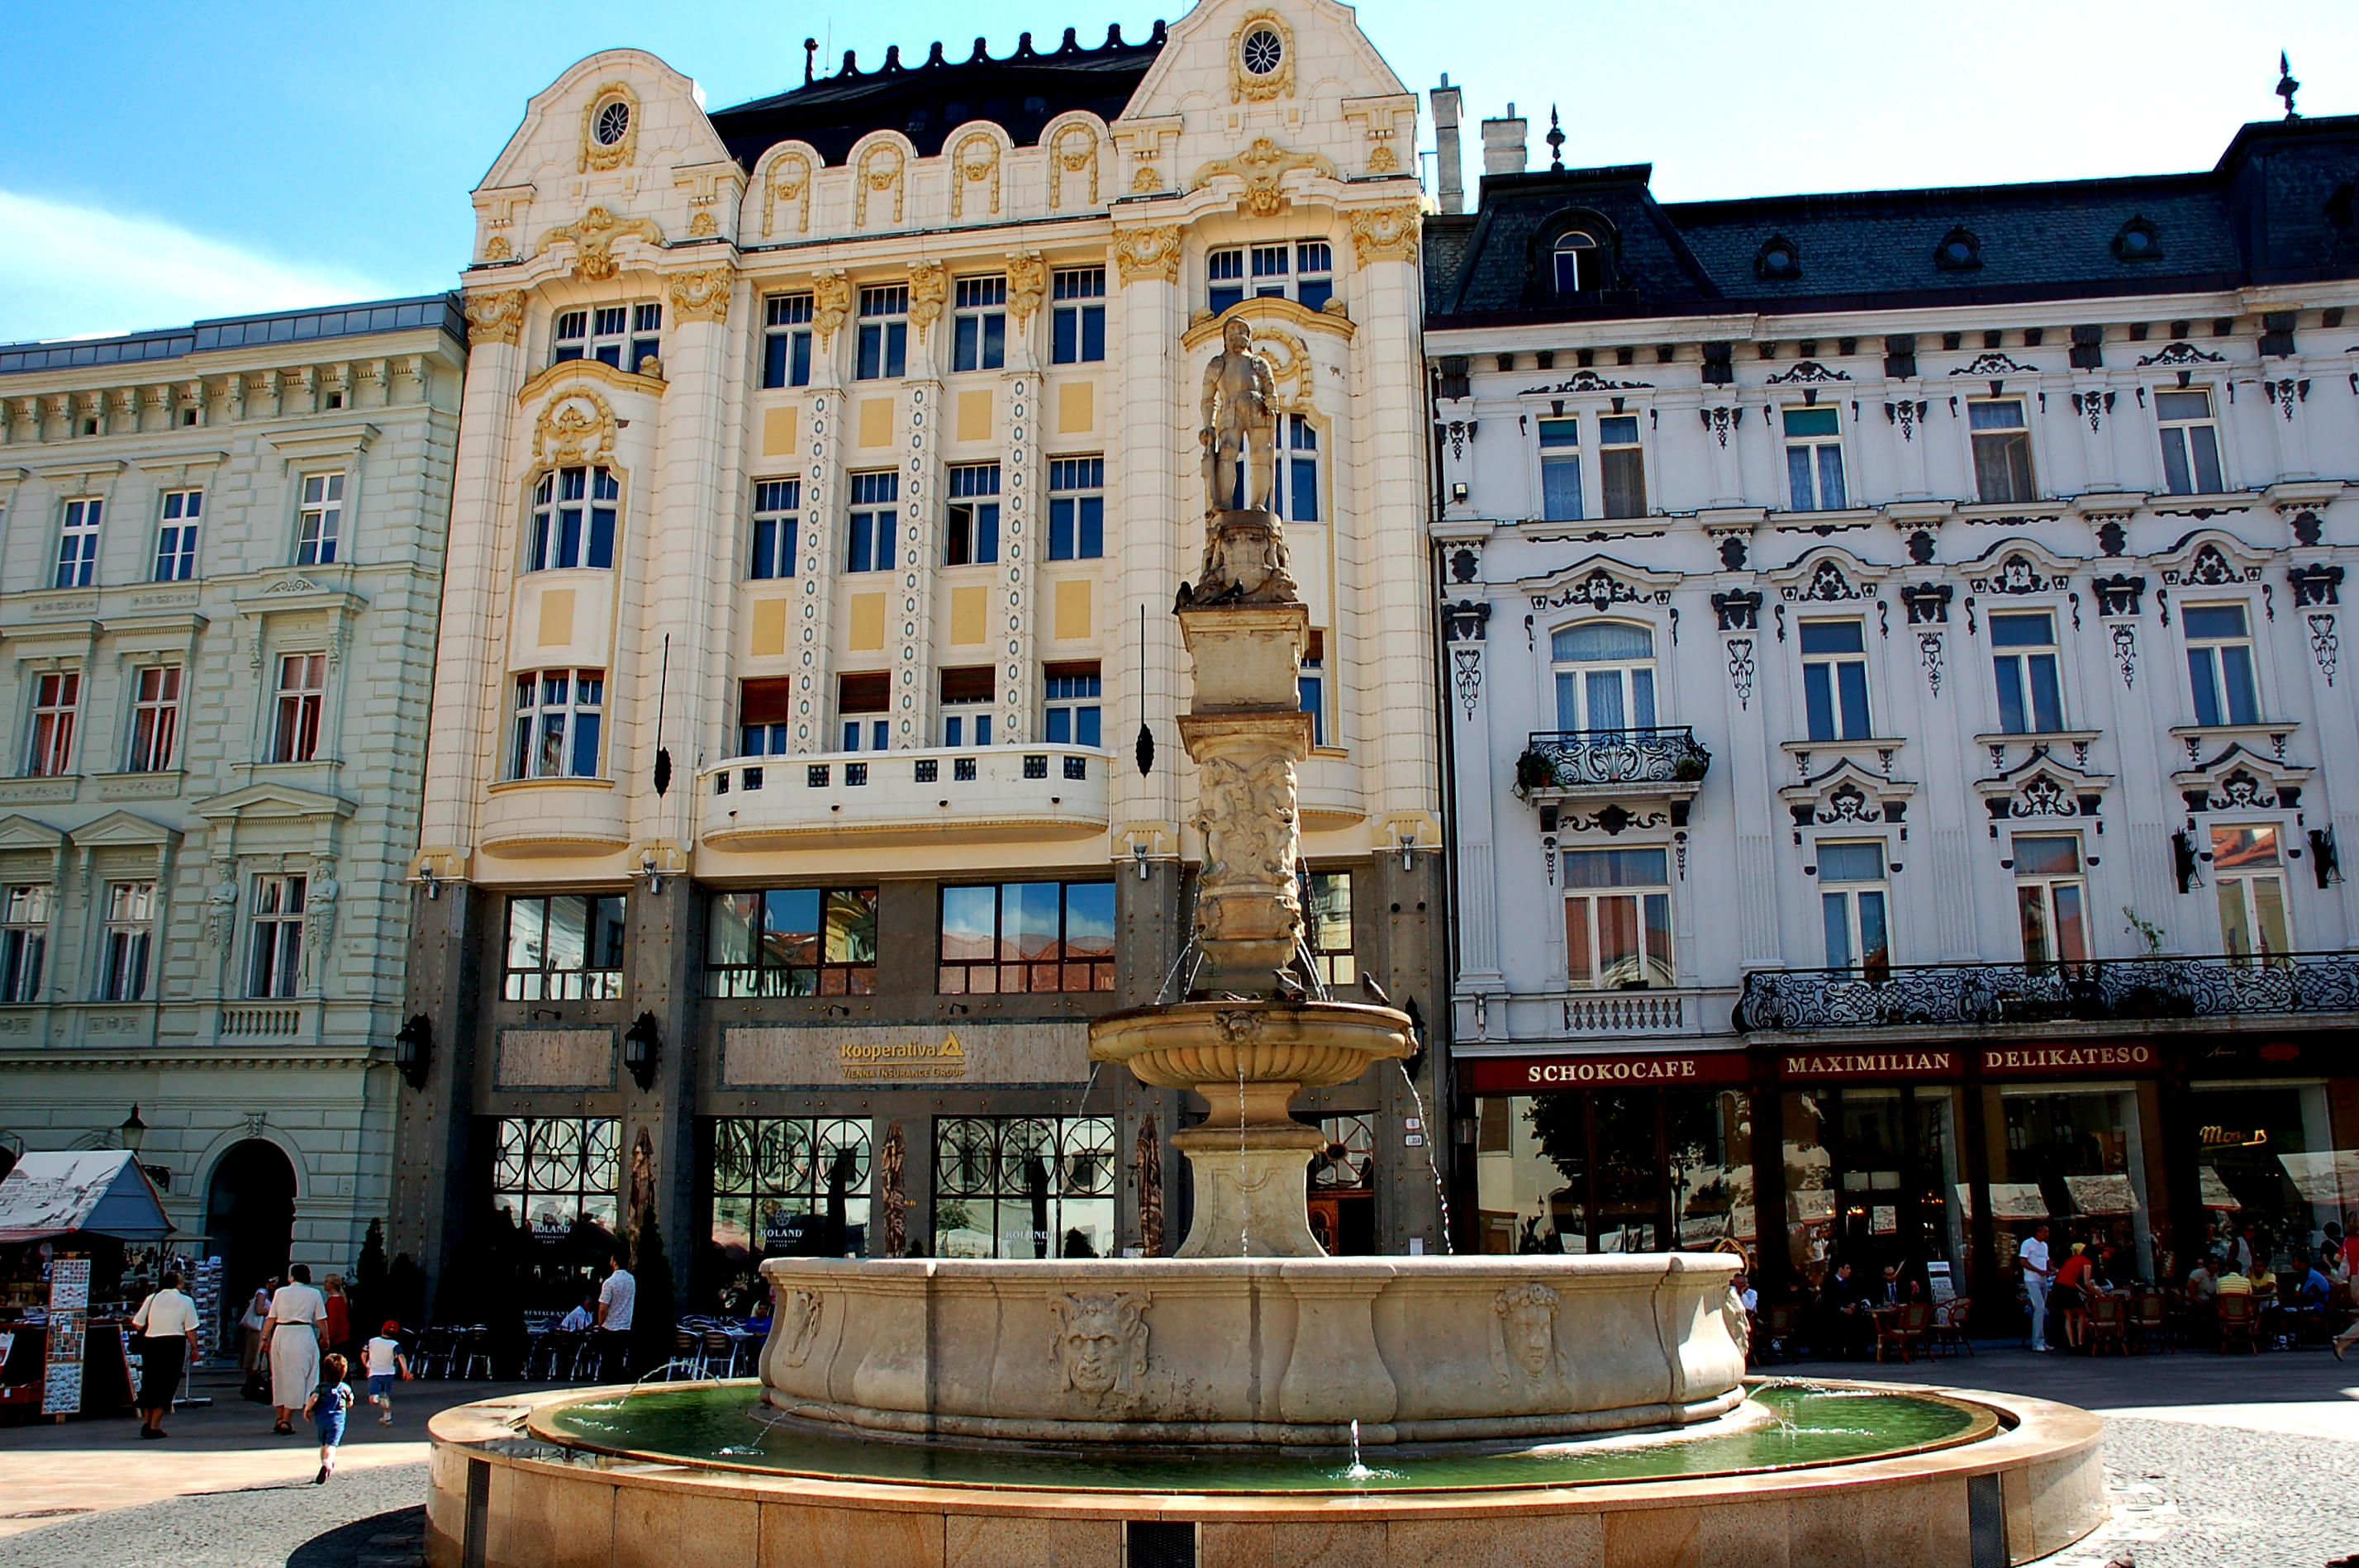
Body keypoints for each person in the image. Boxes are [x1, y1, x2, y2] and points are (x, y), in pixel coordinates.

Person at [132, 1270, 202, 1439]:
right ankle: (155, 1425)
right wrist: (194, 1348)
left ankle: (146, 1422)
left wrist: (154, 1326)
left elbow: (137, 1323)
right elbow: (190, 1328)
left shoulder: (152, 1298)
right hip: (173, 1343)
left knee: (150, 1382)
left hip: (152, 1343)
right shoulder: (186, 1301)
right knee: (168, 1383)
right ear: (178, 1284)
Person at [266, 1264, 330, 1435]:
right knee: (298, 1376)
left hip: (281, 1332)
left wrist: (264, 1338)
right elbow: (321, 1319)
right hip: (302, 1332)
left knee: (279, 1375)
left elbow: (271, 1318)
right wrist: (326, 1337)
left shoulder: (281, 1292)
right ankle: (286, 1419)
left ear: (292, 1277)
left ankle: (280, 1417)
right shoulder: (314, 1294)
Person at [304, 1352, 354, 1484]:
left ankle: (324, 1463)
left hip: (321, 1419)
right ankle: (327, 1464)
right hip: (337, 1420)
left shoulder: (321, 1387)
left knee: (323, 1444)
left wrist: (307, 1409)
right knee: (331, 1445)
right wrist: (347, 1404)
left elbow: (314, 1398)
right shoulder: (345, 1388)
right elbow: (350, 1402)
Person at [596, 1250, 636, 1382]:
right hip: (625, 1326)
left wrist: (600, 1324)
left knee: (609, 1362)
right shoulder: (631, 1280)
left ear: (614, 1262)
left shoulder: (609, 1283)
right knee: (619, 1360)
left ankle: (611, 1385)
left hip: (610, 1327)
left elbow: (603, 1308)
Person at [363, 1321, 411, 1427]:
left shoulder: (372, 1341)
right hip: (389, 1373)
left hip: (375, 1373)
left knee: (373, 1398)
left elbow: (363, 1354)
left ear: (382, 1329)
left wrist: (367, 1366)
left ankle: (380, 1400)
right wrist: (405, 1370)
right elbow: (401, 1356)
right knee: (386, 1396)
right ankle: (387, 1418)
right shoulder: (395, 1345)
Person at [2051, 1243, 2095, 1352]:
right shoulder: (2087, 1262)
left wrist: (2083, 1291)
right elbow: (2087, 1282)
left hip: (2058, 1287)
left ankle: (2072, 1344)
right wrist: (2096, 1293)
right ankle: (2080, 1342)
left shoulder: (2072, 1260)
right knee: (2081, 1314)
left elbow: (2070, 1279)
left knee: (2068, 1315)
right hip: (2068, 1288)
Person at [2019, 1224, 2055, 1352]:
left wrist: (2051, 1269)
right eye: (2045, 1232)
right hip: (2032, 1279)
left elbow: (2047, 1260)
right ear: (2038, 1232)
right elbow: (2023, 1261)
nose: (2047, 1234)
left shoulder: (2044, 1246)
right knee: (2039, 1307)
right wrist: (2038, 1271)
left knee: (2042, 1308)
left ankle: (2043, 1340)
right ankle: (2037, 1341)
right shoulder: (2028, 1244)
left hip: (2043, 1279)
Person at [239, 1281, 273, 1376]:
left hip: (260, 1329)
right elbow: (259, 1310)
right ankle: (252, 1384)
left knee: (256, 1360)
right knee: (255, 1359)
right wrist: (273, 1311)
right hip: (258, 1329)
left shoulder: (266, 1293)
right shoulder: (262, 1292)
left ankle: (253, 1383)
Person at [322, 1274, 352, 1356]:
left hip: (335, 1340)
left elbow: (332, 1322)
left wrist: (326, 1338)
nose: (324, 1284)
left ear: (332, 1285)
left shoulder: (333, 1302)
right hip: (342, 1338)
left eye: (326, 1282)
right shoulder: (342, 1299)